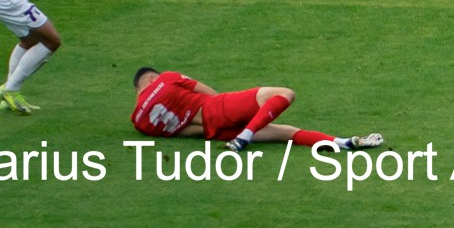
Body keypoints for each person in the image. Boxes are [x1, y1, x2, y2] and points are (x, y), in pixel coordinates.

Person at [131, 67, 382, 154]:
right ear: (152, 78)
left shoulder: (139, 121)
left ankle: (345, 142)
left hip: (210, 131)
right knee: (285, 94)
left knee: (288, 134)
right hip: (215, 109)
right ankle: (245, 136)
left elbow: (181, 132)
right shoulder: (166, 78)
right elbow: (210, 93)